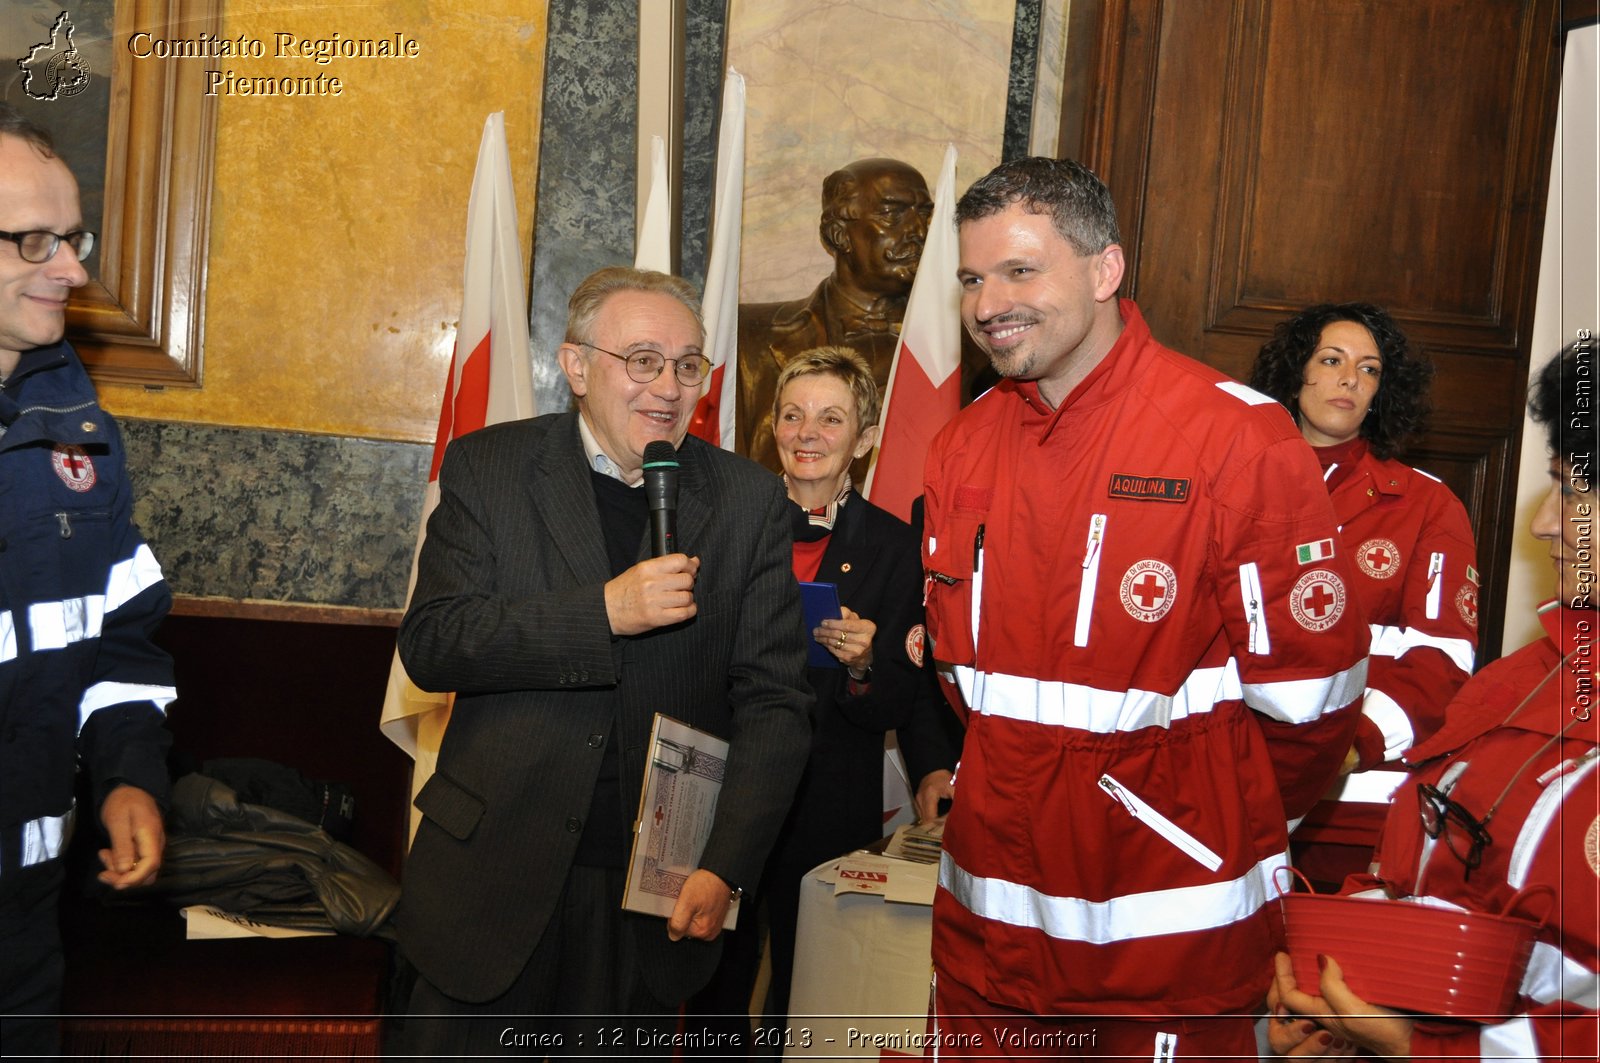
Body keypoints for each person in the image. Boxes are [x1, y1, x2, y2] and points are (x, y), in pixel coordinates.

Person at [920, 156, 1371, 1057]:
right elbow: (971, 690)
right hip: (986, 937)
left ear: (1104, 270)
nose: (986, 304)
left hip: (1167, 937)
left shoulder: (1233, 437)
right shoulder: (961, 443)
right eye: (972, 278)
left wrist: (1186, 815)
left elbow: (1311, 712)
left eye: (1019, 270)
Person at [394, 266, 813, 1056]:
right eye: (644, 359)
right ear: (577, 367)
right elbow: (435, 641)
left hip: (649, 896)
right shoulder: (491, 466)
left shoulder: (748, 501)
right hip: (489, 882)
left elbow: (776, 705)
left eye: (688, 364)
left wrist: (725, 864)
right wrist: (604, 614)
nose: (669, 386)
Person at [1267, 335, 1598, 1061]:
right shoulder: (1522, 681)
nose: (1543, 523)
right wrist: (1342, 1001)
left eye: (1572, 491)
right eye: (1329, 359)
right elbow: (1434, 877)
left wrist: (1413, 1043)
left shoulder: (1423, 504)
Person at [690, 346, 960, 1039]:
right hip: (727, 784)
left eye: (830, 418)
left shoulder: (899, 548)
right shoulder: (723, 524)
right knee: (711, 973)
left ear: (864, 440)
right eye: (792, 415)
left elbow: (901, 699)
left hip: (827, 790)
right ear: (773, 428)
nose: (807, 432)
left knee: (809, 985)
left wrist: (866, 664)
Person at [0, 104, 176, 1053]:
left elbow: (116, 633)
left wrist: (126, 774)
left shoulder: (78, 423)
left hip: (24, 928)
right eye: (33, 240)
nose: (71, 269)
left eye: (73, 237)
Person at [1250, 303, 1479, 887]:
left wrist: (1345, 750)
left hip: (1354, 806)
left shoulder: (1428, 506)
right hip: (1230, 793)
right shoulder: (1236, 485)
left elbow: (1441, 665)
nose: (1350, 378)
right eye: (1331, 360)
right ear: (1295, 372)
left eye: (1370, 369)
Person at [736, 158, 992, 475]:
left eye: (925, 215)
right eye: (891, 214)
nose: (918, 232)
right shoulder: (748, 335)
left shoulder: (977, 344)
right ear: (839, 235)